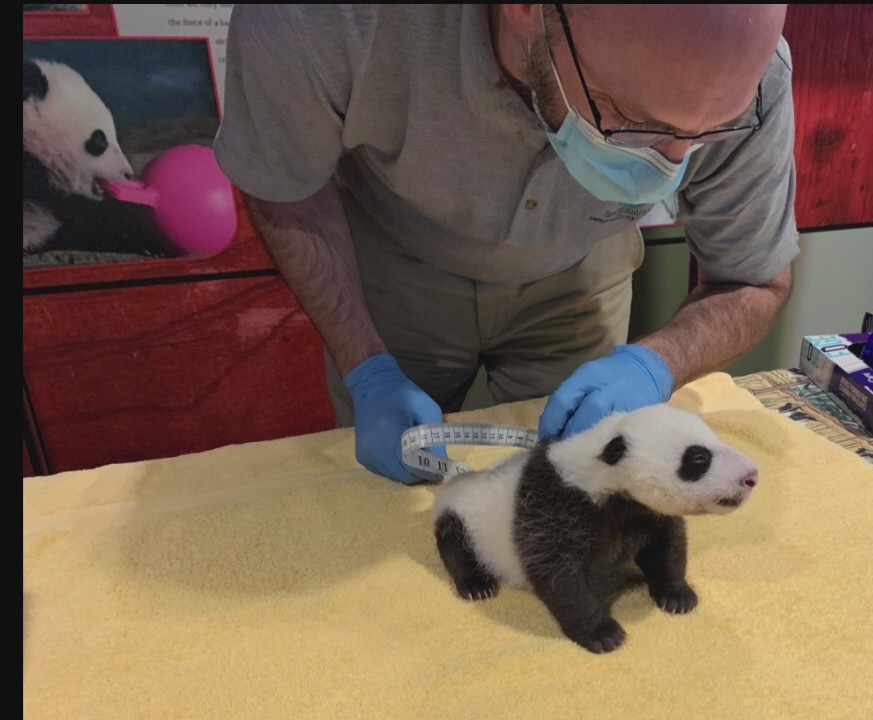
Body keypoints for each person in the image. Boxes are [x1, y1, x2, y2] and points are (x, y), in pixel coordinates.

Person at [213, 4, 799, 483]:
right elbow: (286, 191)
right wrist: (366, 368)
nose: (668, 168)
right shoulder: (320, 19)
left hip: (582, 264)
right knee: (383, 495)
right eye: (629, 120)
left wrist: (657, 364)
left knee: (573, 489)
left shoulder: (750, 74)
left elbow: (754, 279)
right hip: (394, 262)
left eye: (709, 133)